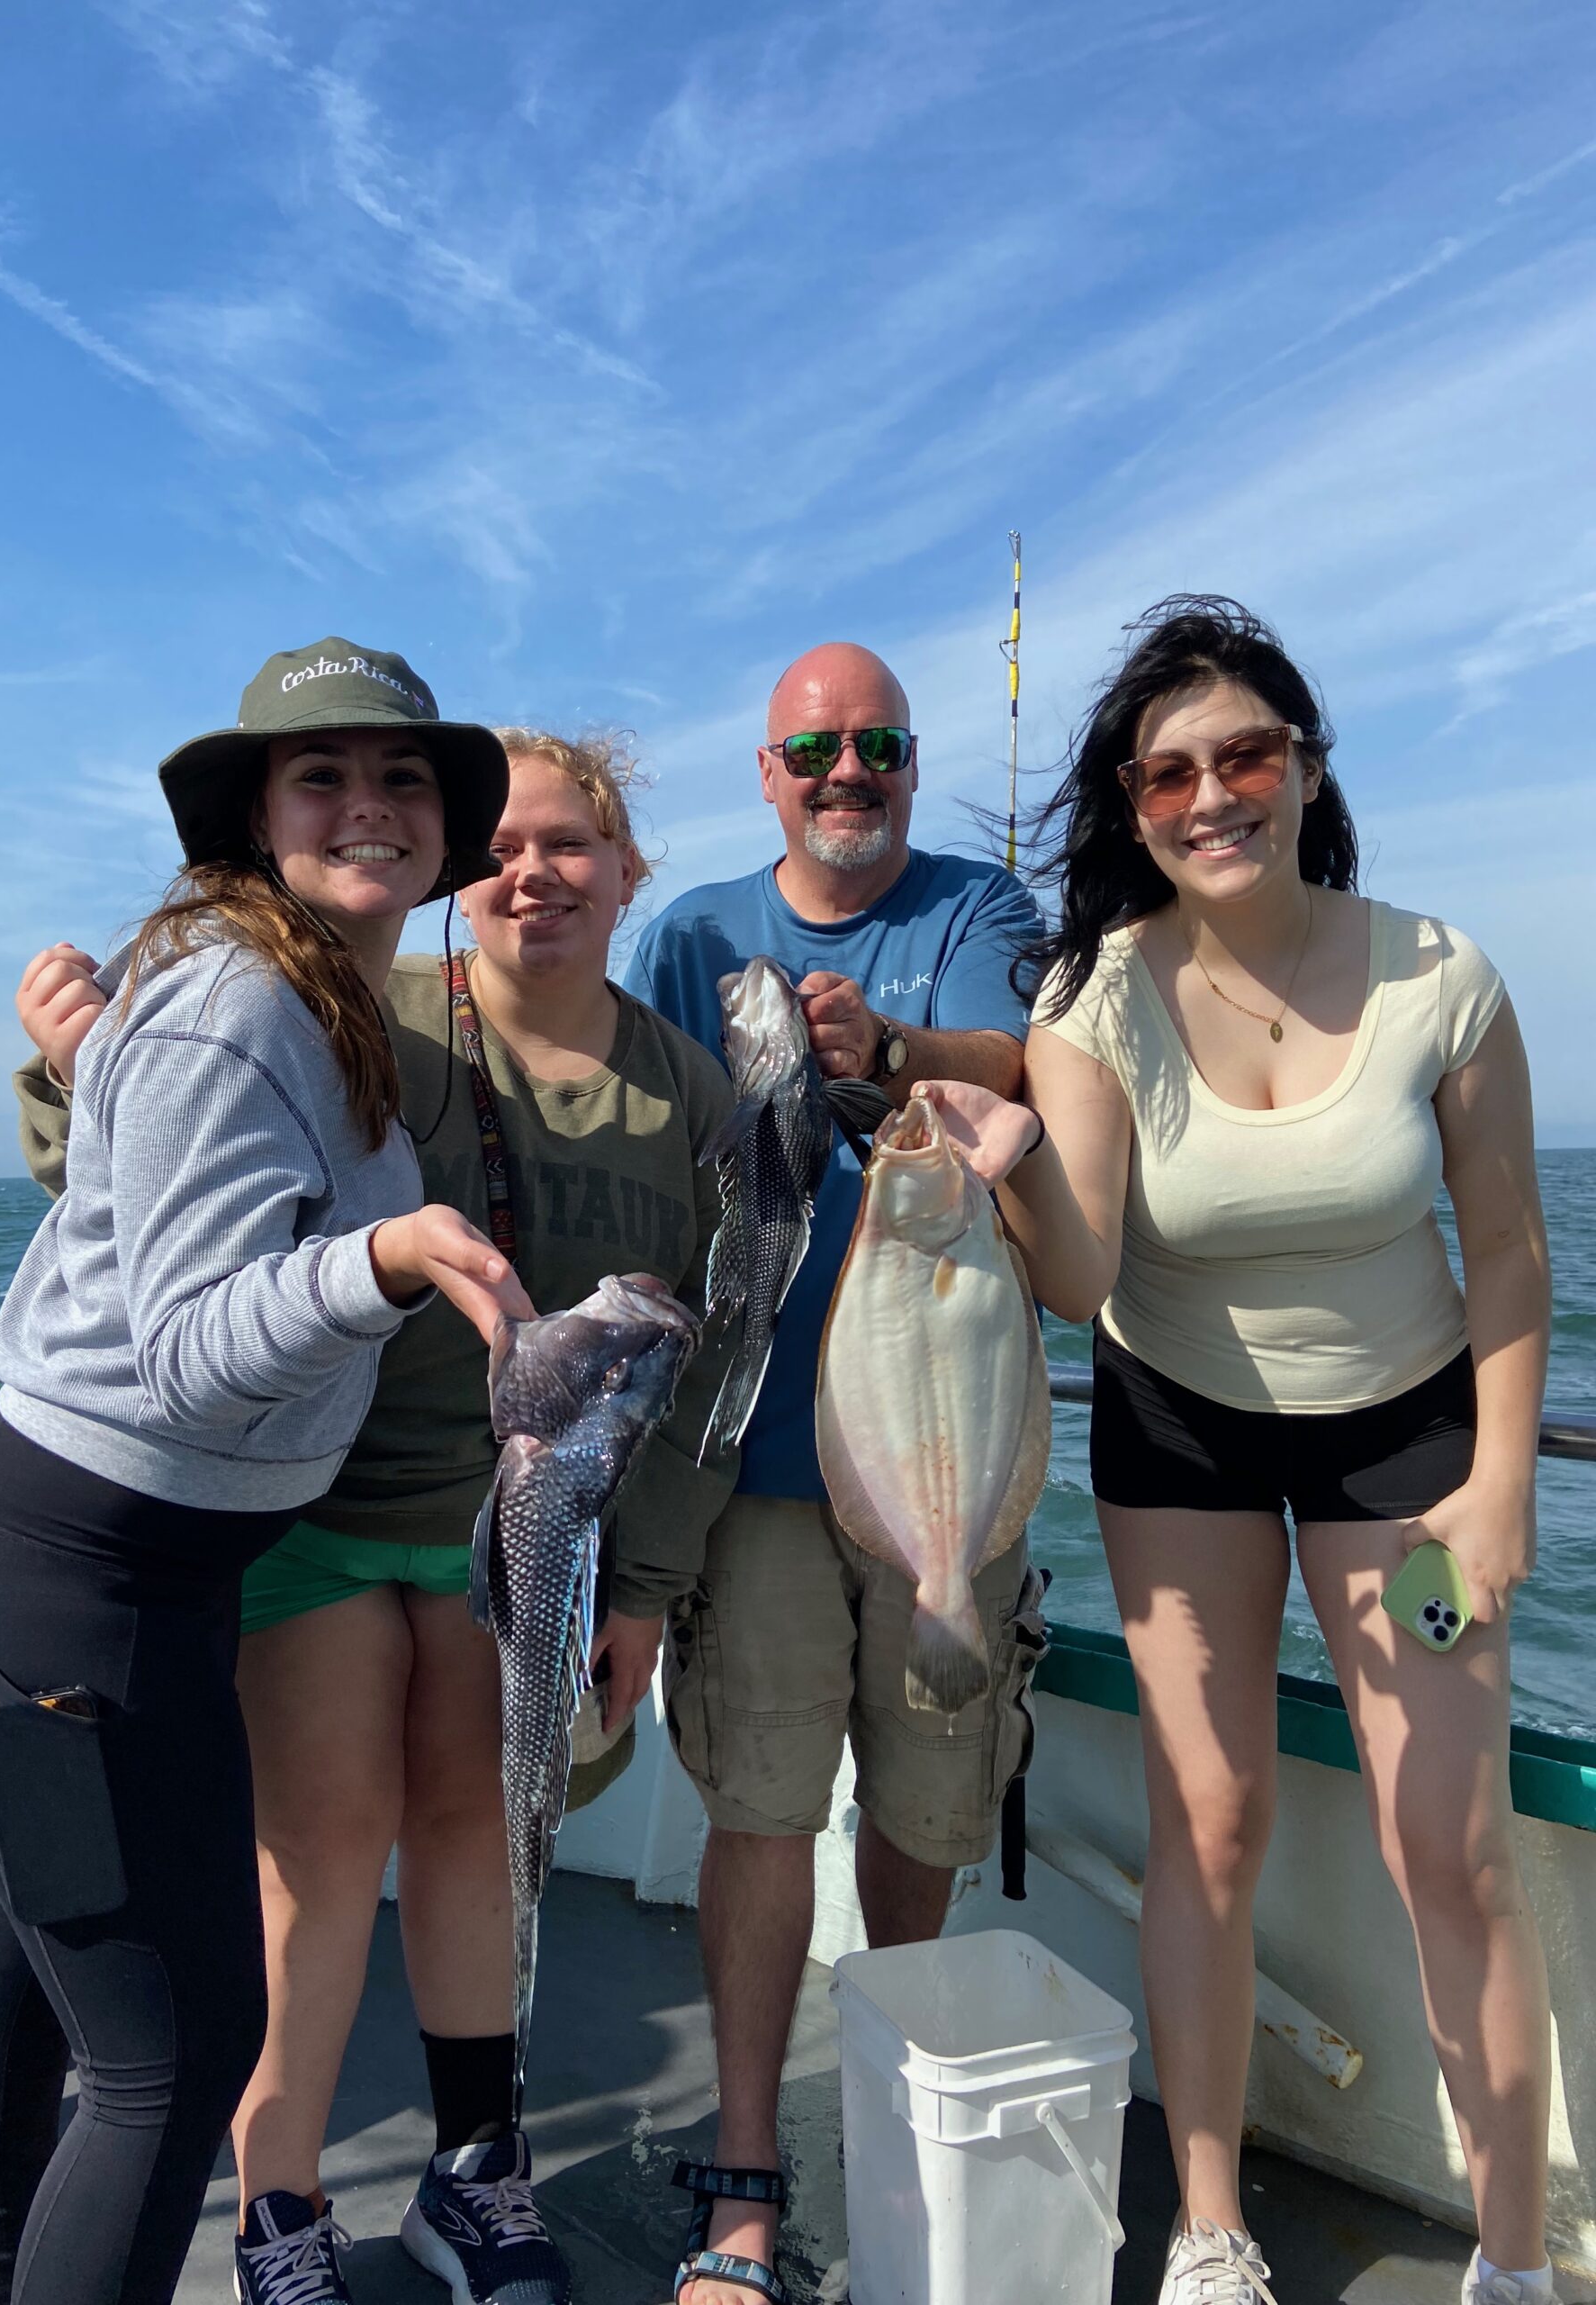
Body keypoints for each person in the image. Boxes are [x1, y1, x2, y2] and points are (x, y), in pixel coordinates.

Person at [13, 729, 737, 2305]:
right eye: (508, 847)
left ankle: (477, 2179)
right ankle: (281, 2208)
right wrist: (63, 1064)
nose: (534, 873)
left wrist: (649, 1581)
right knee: (323, 1852)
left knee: (479, 1839)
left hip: (532, 1536)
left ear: (629, 873)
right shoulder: (356, 1009)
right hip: (324, 1510)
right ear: (464, 872)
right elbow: (144, 1172)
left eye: (573, 845)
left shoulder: (684, 1091)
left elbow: (714, 1352)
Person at [924, 598, 1556, 2305]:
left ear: (1307, 766)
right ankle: (1208, 2226)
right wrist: (1009, 1159)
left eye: (1248, 755)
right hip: (1181, 1440)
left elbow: (1505, 1248)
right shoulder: (1098, 994)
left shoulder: (1442, 973)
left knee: (1455, 1842)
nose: (1215, 795)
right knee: (1209, 1815)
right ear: (1133, 808)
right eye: (1171, 773)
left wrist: (1497, 1489)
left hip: (1405, 1462)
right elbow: (1082, 1276)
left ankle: (1509, 2258)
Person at [0, 639, 525, 2305]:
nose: (369, 808)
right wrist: (378, 1261)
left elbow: (161, 1160)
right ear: (255, 817)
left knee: (24, 1985)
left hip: (104, 1577)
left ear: (447, 831)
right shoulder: (249, 997)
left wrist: (95, 1050)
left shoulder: (296, 1001)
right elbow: (180, 1349)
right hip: (62, 1580)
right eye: (324, 778)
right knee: (177, 2052)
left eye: (404, 782)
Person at [626, 642, 1046, 2305]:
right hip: (754, 1463)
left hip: (948, 1456)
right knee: (761, 1807)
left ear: (913, 762)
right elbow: (638, 1125)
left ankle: (890, 2123)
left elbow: (1023, 1074)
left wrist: (887, 1053)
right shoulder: (693, 935)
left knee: (931, 1806)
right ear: (767, 769)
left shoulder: (979, 909)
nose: (844, 771)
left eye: (875, 745)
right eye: (815, 748)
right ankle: (743, 2170)